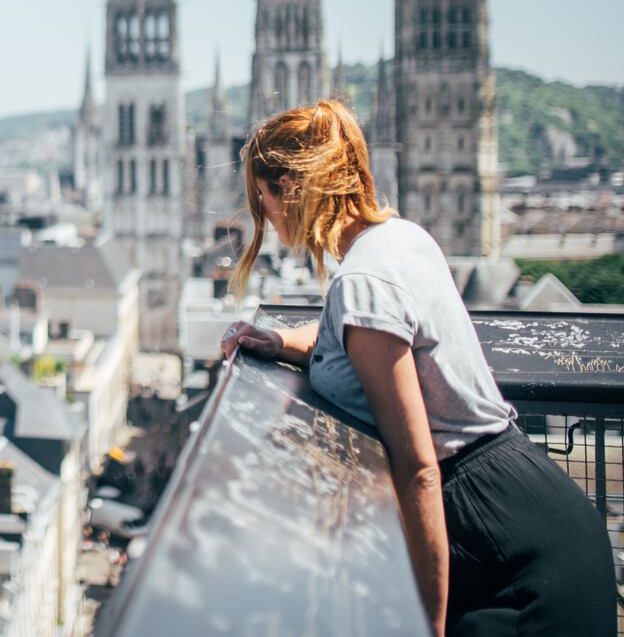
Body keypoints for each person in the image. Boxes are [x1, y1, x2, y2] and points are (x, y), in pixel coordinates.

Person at [218, 100, 614, 637]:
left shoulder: (363, 281)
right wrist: (280, 341)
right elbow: (366, 341)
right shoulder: (400, 239)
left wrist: (425, 621)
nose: (262, 214)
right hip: (533, 507)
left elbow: (419, 466)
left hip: (498, 540)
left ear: (289, 187)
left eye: (260, 197)